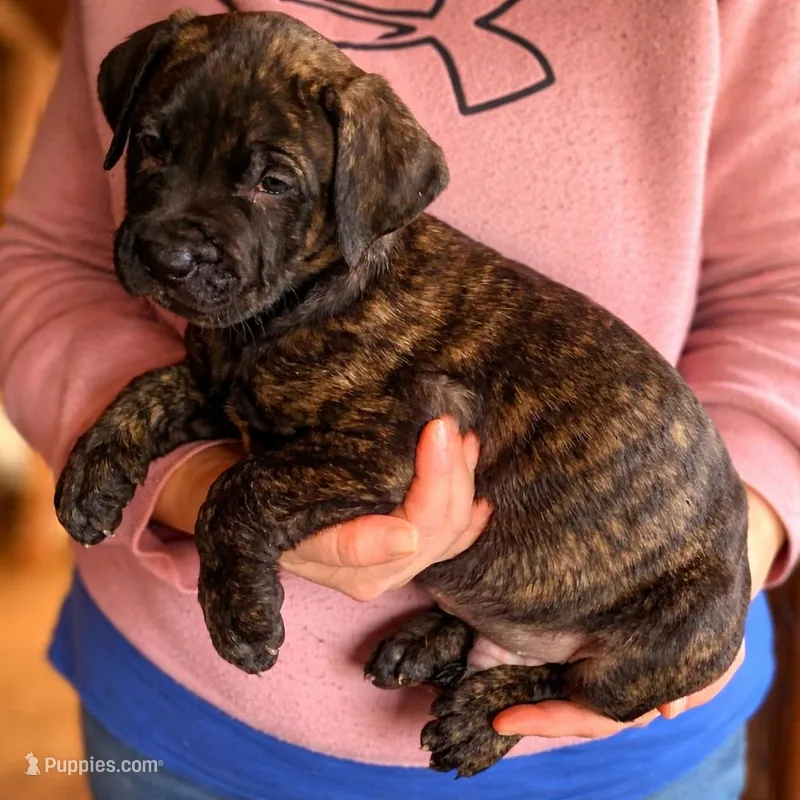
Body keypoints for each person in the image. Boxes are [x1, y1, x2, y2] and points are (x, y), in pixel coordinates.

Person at [0, 0, 798, 798]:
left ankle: (514, 677)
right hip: (185, 731)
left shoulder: (384, 313)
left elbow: (383, 454)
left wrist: (236, 516)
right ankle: (478, 639)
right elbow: (174, 349)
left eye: (272, 180)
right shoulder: (261, 301)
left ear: (361, 200)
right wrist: (152, 453)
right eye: (155, 149)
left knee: (663, 640)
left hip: (631, 676)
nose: (173, 232)